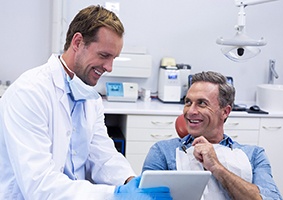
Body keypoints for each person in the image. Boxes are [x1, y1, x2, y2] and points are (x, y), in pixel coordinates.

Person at [0, 5, 171, 200]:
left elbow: (103, 156)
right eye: (104, 55)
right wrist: (115, 194)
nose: (109, 67)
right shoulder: (29, 93)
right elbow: (39, 186)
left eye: (113, 58)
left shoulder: (90, 98)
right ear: (78, 42)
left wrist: (130, 181)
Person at [142, 71, 282, 200]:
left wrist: (216, 167)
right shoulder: (163, 152)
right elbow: (143, 197)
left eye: (202, 103)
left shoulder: (254, 155)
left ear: (225, 112)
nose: (191, 111)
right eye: (188, 102)